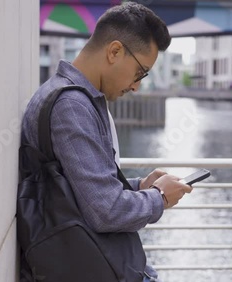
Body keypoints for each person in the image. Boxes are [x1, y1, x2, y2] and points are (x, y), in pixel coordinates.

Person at [20, 2, 193, 281]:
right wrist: (159, 198)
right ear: (114, 51)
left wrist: (140, 187)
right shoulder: (72, 105)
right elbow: (107, 211)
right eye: (140, 73)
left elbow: (78, 189)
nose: (137, 86)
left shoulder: (70, 96)